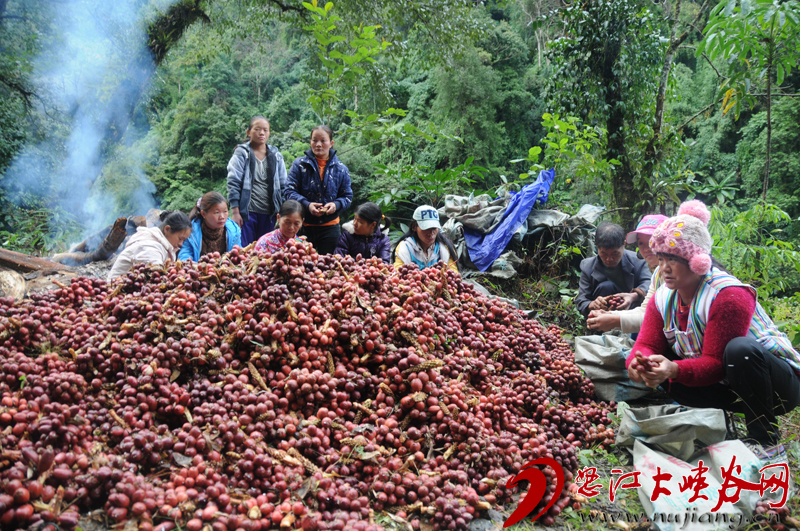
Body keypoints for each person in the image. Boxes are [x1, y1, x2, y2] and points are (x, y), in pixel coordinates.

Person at [626, 200, 800, 461]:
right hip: (729, 383)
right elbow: (647, 343)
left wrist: (674, 369)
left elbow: (718, 364)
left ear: (696, 261)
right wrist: (638, 364)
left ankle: (765, 439)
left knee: (739, 350)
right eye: (661, 259)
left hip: (778, 386)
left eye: (672, 260)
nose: (664, 268)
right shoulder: (663, 298)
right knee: (668, 372)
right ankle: (718, 425)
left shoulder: (727, 295)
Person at [586, 214, 668, 333]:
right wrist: (607, 313)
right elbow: (646, 311)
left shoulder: (674, 274)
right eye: (641, 243)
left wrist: (633, 296)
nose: (646, 248)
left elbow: (661, 318)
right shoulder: (658, 274)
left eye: (652, 241)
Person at [284, 125, 353, 255]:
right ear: (310, 142)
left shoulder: (341, 169)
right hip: (303, 226)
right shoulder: (299, 165)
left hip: (330, 228)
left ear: (331, 143)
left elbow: (347, 197)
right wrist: (307, 205)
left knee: (329, 267)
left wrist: (336, 204)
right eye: (314, 140)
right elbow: (288, 191)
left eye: (323, 141)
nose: (318, 144)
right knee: (299, 266)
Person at [227, 116, 288, 246]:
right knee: (245, 250)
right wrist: (236, 212)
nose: (262, 133)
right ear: (249, 132)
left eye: (265, 130)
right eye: (257, 129)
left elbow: (284, 186)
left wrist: (283, 214)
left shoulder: (276, 156)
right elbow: (233, 182)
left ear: (269, 133)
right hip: (247, 213)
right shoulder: (242, 153)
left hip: (270, 214)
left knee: (266, 251)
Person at [575, 222, 652, 318]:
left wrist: (633, 296)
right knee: (606, 286)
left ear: (623, 245)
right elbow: (581, 300)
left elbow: (648, 284)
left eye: (615, 253)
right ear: (597, 248)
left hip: (632, 314)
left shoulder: (639, 261)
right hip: (601, 316)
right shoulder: (587, 266)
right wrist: (592, 304)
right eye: (604, 254)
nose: (609, 259)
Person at [107, 211, 192, 280]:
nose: (181, 244)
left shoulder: (162, 245)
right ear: (167, 229)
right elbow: (157, 277)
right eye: (180, 238)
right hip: (115, 293)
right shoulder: (150, 246)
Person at [178, 192, 242, 261]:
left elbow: (238, 254)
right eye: (217, 212)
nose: (222, 217)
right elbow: (184, 256)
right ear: (203, 214)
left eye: (225, 211)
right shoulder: (191, 232)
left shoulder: (234, 232)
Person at [393, 205, 458, 272]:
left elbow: (454, 275)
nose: (431, 233)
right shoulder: (404, 248)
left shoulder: (445, 249)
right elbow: (398, 275)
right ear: (414, 227)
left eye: (434, 228)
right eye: (426, 228)